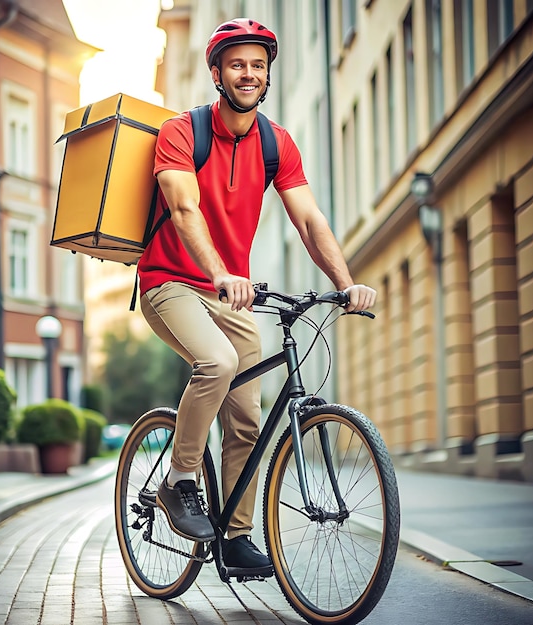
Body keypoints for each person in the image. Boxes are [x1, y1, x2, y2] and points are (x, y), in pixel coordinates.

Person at [137, 18, 376, 576]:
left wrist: (345, 284)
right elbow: (183, 209)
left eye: (258, 65)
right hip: (170, 282)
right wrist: (220, 271)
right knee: (216, 362)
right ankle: (180, 480)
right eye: (237, 64)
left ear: (268, 75)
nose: (249, 74)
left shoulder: (276, 142)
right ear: (216, 72)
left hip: (232, 296)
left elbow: (310, 219)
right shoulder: (181, 133)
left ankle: (237, 537)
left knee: (246, 419)